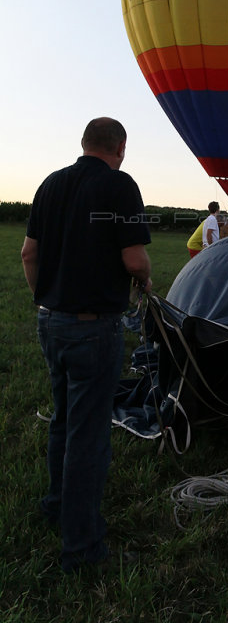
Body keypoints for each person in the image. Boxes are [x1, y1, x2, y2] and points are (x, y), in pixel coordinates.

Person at [21, 117, 152, 573]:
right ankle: (83, 549)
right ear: (120, 147)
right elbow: (134, 259)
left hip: (50, 322)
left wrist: (44, 299)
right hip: (94, 329)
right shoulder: (120, 186)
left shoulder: (50, 185)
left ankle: (56, 505)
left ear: (83, 144)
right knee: (88, 436)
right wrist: (146, 280)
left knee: (62, 419)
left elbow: (28, 254)